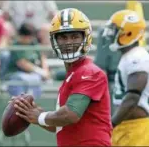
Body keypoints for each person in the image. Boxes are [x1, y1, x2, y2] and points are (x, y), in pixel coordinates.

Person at [11, 8, 112, 146]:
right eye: (63, 37)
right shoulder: (72, 75)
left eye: (75, 37)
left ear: (86, 38)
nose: (69, 42)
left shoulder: (90, 72)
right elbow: (59, 125)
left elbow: (71, 114)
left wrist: (40, 116)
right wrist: (33, 113)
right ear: (54, 41)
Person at [102, 10, 149, 146]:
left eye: (115, 30)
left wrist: (111, 124)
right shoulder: (129, 56)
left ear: (128, 33)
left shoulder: (137, 57)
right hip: (126, 126)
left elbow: (132, 98)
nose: (110, 34)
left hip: (136, 128)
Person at [5, 23, 50, 99]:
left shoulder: (33, 43)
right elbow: (22, 63)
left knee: (36, 79)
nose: (30, 39)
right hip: (16, 75)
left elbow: (42, 57)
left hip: (32, 75)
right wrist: (40, 71)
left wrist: (46, 71)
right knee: (23, 80)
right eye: (28, 37)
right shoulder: (15, 45)